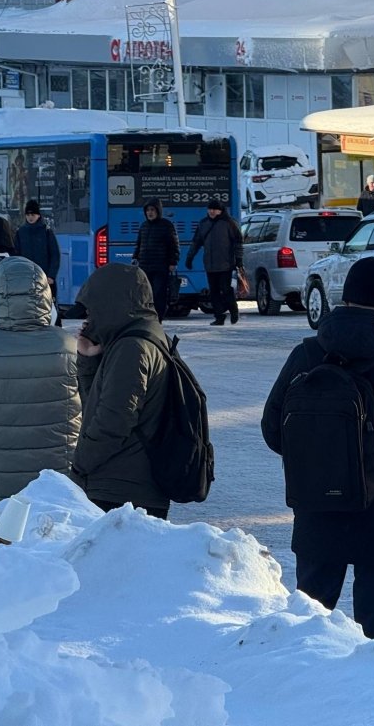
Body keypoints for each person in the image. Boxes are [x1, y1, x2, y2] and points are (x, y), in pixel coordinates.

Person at [262, 257, 374, 638]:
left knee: (310, 631)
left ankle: (304, 695)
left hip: (315, 509)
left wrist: (319, 459)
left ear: (346, 298)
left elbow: (273, 430)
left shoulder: (306, 355)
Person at [0, 257, 80, 524]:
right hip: (57, 476)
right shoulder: (69, 346)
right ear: (45, 294)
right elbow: (86, 405)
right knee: (54, 544)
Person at [69, 263, 172, 517]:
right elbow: (96, 403)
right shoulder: (140, 336)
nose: (89, 317)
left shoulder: (132, 348)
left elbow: (113, 422)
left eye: (93, 308)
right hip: (128, 486)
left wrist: (78, 466)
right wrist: (88, 357)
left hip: (123, 493)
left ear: (111, 303)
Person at [186, 198, 243, 327]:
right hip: (210, 264)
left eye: (215, 209)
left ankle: (233, 310)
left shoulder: (229, 223)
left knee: (226, 289)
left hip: (225, 263)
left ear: (220, 210)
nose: (212, 211)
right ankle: (219, 316)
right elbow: (196, 242)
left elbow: (238, 242)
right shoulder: (203, 223)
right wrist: (190, 258)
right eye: (210, 209)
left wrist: (239, 260)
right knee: (214, 291)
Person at [131, 197, 180, 322]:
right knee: (145, 294)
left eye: (152, 210)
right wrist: (135, 257)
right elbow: (139, 244)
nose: (150, 213)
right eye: (148, 210)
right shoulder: (144, 226)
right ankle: (147, 317)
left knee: (159, 294)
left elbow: (174, 245)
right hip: (145, 266)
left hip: (160, 266)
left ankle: (158, 318)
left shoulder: (166, 225)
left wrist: (173, 262)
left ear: (158, 211)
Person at [15, 200, 61, 316]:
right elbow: (16, 255)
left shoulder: (46, 232)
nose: (30, 217)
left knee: (47, 307)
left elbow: (55, 254)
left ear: (38, 215)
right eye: (28, 215)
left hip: (44, 277)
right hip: (26, 277)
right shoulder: (20, 232)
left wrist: (51, 275)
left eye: (33, 214)